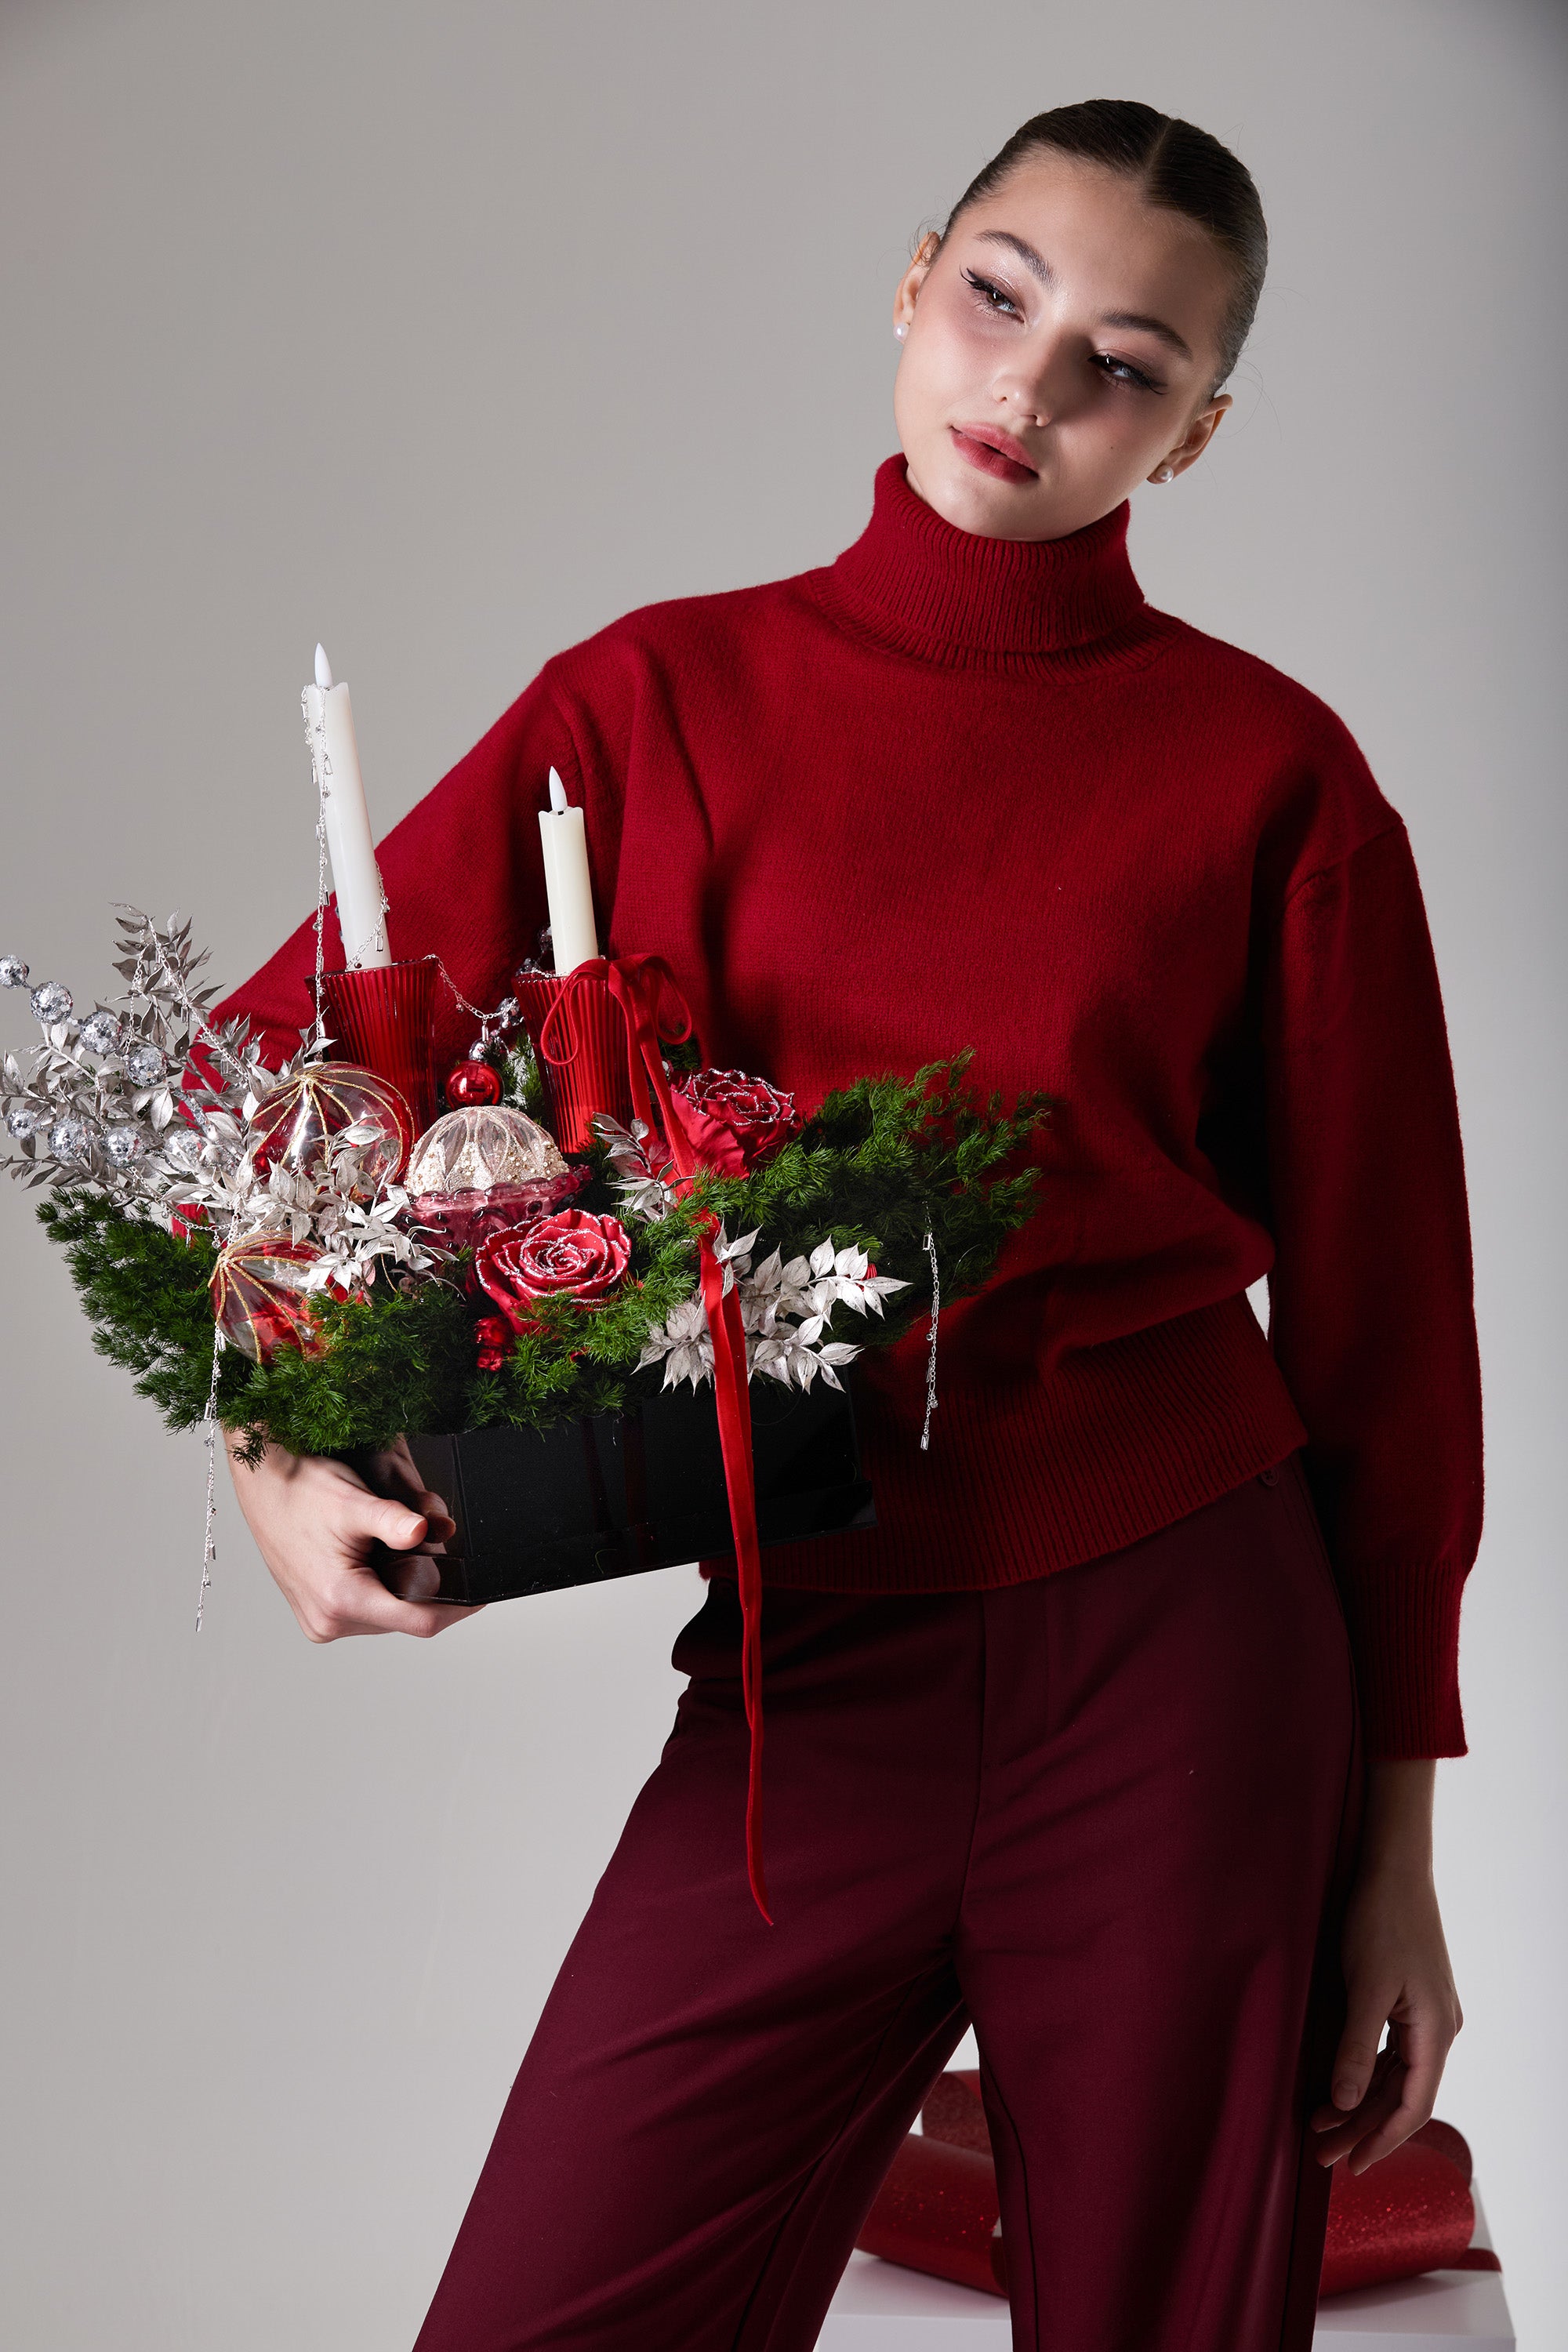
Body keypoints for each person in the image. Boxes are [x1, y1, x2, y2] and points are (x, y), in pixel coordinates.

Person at [220, 100, 1479, 2352]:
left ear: (1193, 433)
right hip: (813, 1662)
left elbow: (1391, 1334)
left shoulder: (1270, 776)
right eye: (1000, 296)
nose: (1031, 384)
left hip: (1188, 1655)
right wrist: (270, 1438)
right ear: (915, 281)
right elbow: (281, 1084)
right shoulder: (653, 702)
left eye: (1126, 365)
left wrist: (1398, 1859)